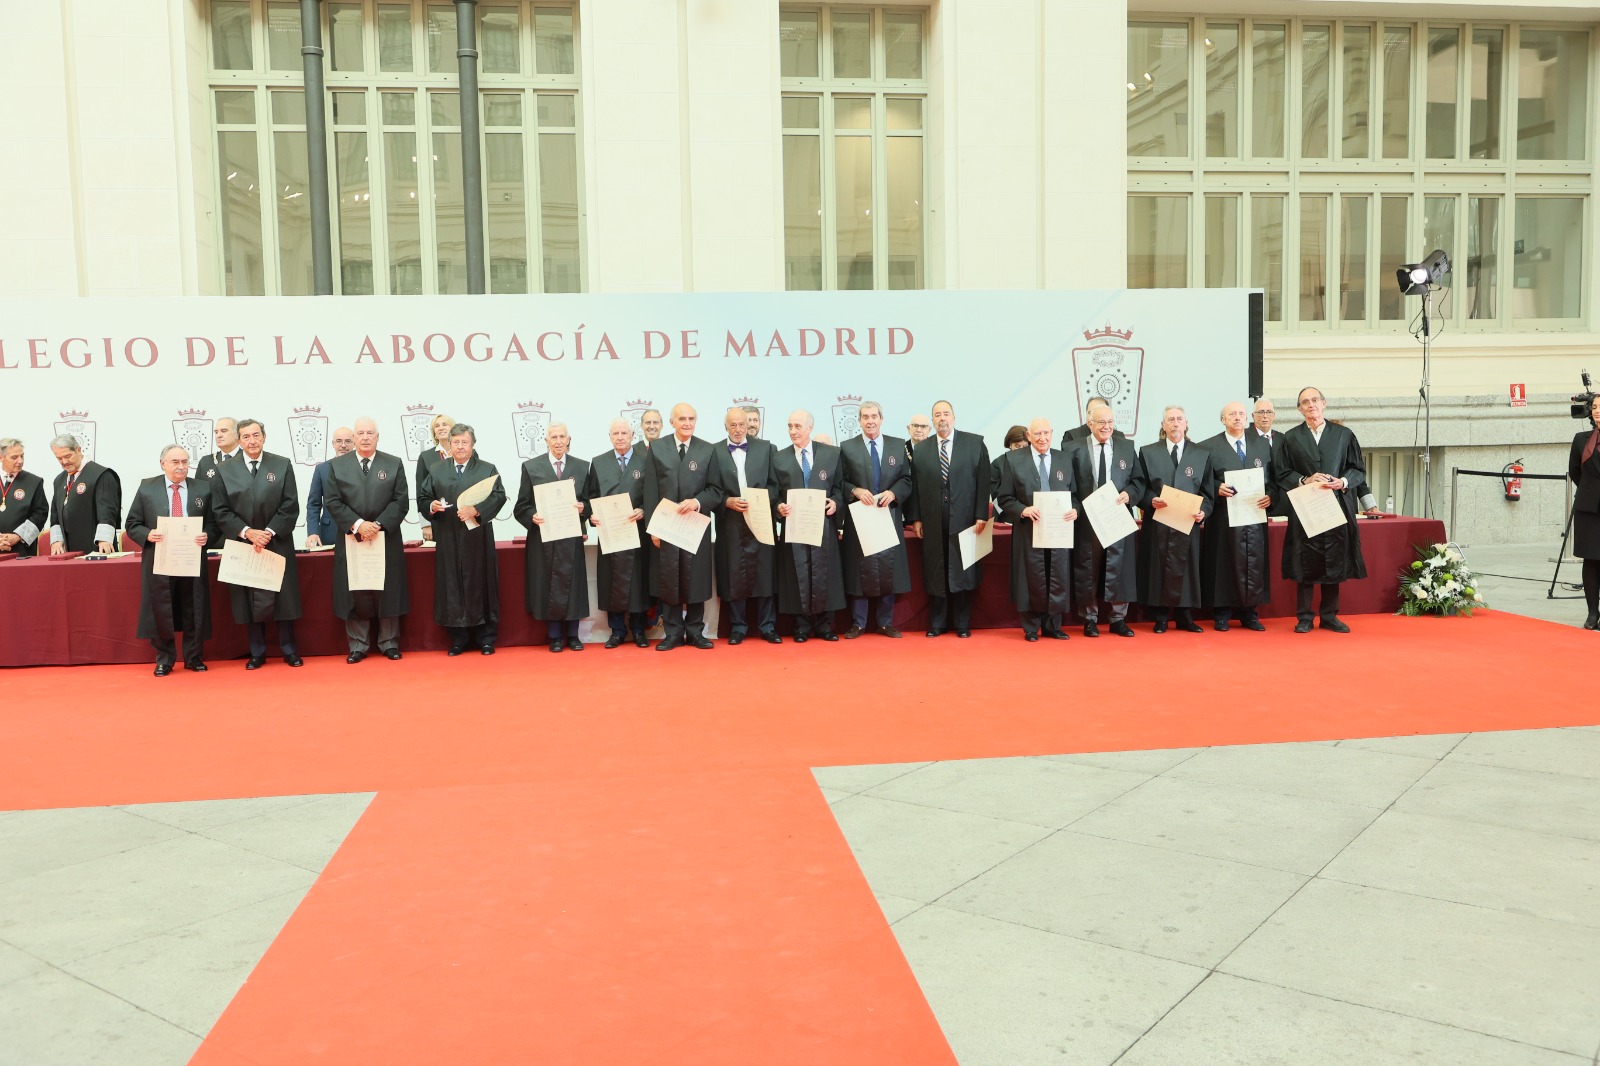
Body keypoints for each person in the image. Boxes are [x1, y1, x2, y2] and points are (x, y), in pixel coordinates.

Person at [210, 418, 303, 668]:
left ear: (264, 437)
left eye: (256, 435)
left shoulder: (281, 465)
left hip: (277, 540)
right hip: (244, 543)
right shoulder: (224, 470)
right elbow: (220, 510)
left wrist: (269, 532)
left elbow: (290, 505)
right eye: (246, 437)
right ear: (239, 441)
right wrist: (248, 532)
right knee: (249, 599)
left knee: (284, 599)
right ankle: (257, 652)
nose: (252, 441)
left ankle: (289, 650)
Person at [1276, 387, 1367, 633]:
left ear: (1324, 403)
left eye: (1315, 400)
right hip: (1305, 508)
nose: (1311, 405)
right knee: (1305, 562)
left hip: (1335, 506)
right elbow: (1281, 473)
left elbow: (1358, 469)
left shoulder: (1344, 435)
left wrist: (1343, 482)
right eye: (1305, 402)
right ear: (1299, 409)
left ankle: (1329, 616)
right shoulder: (1290, 438)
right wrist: (1304, 479)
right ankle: (1304, 617)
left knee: (1334, 561)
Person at [123, 445, 218, 675]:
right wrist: (148, 534)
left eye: (185, 462)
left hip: (191, 558)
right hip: (161, 559)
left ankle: (193, 657)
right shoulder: (147, 488)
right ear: (163, 464)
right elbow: (132, 524)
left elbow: (215, 523)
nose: (181, 467)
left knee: (193, 607)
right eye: (175, 462)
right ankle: (164, 659)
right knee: (161, 607)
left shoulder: (202, 488)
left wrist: (207, 535)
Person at [324, 417, 410, 662]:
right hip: (352, 537)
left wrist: (378, 525)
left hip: (385, 537)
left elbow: (401, 501)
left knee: (388, 589)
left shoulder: (393, 463)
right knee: (356, 590)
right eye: (360, 433)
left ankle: (389, 643)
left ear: (377, 437)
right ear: (354, 438)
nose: (365, 437)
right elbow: (333, 501)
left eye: (370, 433)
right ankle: (358, 645)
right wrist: (359, 525)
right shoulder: (337, 466)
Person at [643, 403, 724, 649]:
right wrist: (653, 528)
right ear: (672, 422)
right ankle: (673, 633)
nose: (687, 423)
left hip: (695, 525)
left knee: (696, 579)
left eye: (691, 419)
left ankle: (696, 632)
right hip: (666, 527)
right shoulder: (658, 448)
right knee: (669, 579)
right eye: (682, 419)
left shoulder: (707, 449)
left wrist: (697, 502)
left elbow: (716, 490)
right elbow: (650, 491)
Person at [421, 424, 506, 655]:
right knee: (452, 587)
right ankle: (458, 639)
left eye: (464, 442)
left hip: (477, 538)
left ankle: (486, 639)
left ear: (473, 444)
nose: (460, 446)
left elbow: (499, 496)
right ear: (449, 444)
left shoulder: (487, 469)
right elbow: (423, 497)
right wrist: (431, 506)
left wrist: (477, 510)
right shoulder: (437, 470)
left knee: (482, 583)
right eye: (456, 442)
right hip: (448, 537)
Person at [907, 400, 990, 638]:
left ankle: (962, 624)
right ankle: (937, 623)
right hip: (933, 519)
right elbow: (915, 488)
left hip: (966, 519)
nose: (942, 418)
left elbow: (984, 481)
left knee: (963, 569)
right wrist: (916, 518)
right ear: (932, 420)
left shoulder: (974, 443)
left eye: (946, 414)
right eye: (937, 415)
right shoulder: (921, 449)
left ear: (954, 417)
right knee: (937, 569)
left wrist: (981, 514)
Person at [996, 418, 1078, 641]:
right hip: (1028, 528)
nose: (1042, 438)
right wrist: (1023, 510)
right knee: (1029, 576)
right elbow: (1004, 498)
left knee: (1057, 574)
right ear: (1029, 436)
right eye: (1037, 434)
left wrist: (1076, 510)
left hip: (1059, 529)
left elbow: (1075, 495)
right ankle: (1031, 627)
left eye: (1046, 433)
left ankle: (1053, 626)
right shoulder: (1013, 460)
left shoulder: (1064, 458)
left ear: (1052, 433)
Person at [1066, 404, 1144, 637]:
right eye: (1101, 422)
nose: (1106, 427)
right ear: (1090, 423)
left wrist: (1129, 494)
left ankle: (1118, 618)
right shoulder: (1073, 448)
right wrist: (1075, 508)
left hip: (1117, 517)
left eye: (1110, 422)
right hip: (1086, 520)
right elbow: (1067, 486)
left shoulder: (1126, 447)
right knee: (1087, 568)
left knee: (1120, 567)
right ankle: (1089, 619)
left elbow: (1138, 481)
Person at [514, 423, 590, 653]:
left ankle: (573, 635)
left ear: (568, 440)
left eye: (562, 437)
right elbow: (521, 506)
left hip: (571, 537)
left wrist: (584, 509)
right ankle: (555, 636)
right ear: (546, 441)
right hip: (543, 538)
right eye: (553, 437)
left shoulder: (582, 466)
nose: (558, 441)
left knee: (573, 584)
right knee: (548, 584)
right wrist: (532, 516)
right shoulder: (531, 467)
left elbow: (590, 502)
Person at [838, 400, 911, 638]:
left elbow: (907, 480)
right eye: (865, 417)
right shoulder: (847, 447)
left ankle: (885, 623)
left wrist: (894, 493)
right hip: (861, 518)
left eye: (874, 416)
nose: (870, 421)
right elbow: (840, 482)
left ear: (881, 419)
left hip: (887, 515)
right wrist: (855, 490)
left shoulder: (897, 445)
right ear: (859, 421)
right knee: (860, 569)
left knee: (888, 570)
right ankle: (858, 623)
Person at [1199, 401, 1274, 631]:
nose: (1238, 417)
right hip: (1223, 518)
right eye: (1232, 414)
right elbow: (1200, 482)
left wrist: (1271, 496)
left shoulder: (1262, 444)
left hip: (1254, 515)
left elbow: (1274, 478)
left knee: (1253, 562)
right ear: (1223, 419)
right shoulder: (1207, 447)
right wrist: (1216, 487)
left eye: (1241, 413)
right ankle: (1221, 614)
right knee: (1223, 562)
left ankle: (1249, 613)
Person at [1136, 406, 1212, 633]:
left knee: (1187, 569)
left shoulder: (1201, 454)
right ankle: (1160, 617)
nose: (1175, 423)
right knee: (1158, 568)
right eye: (1170, 419)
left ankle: (1185, 616)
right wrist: (1150, 500)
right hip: (1158, 522)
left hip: (1187, 523)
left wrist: (1204, 511)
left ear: (1186, 423)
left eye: (1179, 419)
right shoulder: (1148, 452)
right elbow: (1141, 486)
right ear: (1163, 425)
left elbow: (1207, 492)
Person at [773, 410, 846, 641]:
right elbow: (774, 493)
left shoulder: (831, 454)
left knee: (825, 571)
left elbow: (840, 488)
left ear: (810, 428)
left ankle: (825, 626)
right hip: (794, 526)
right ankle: (801, 627)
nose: (793, 431)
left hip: (823, 525)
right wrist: (778, 507)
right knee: (798, 573)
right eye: (790, 426)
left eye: (798, 426)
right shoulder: (779, 458)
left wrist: (835, 502)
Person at [712, 407, 779, 645]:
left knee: (765, 572)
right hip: (730, 521)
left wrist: (762, 501)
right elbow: (711, 488)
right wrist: (726, 501)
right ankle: (738, 627)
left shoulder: (767, 448)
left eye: (742, 424)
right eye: (733, 425)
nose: (739, 429)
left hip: (760, 518)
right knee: (734, 574)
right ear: (726, 427)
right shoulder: (714, 451)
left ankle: (767, 626)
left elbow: (775, 484)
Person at [584, 418, 652, 648]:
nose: (620, 437)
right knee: (611, 580)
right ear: (610, 437)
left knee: (638, 581)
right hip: (610, 533)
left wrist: (644, 510)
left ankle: (639, 630)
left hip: (638, 531)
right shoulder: (599, 462)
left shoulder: (646, 460)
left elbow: (654, 493)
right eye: (616, 433)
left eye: (624, 433)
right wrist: (592, 515)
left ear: (633, 435)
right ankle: (617, 631)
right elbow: (591, 496)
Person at [49, 434, 120, 554]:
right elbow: (55, 514)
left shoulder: (101, 475)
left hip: (97, 547)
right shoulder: (59, 480)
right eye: (59, 458)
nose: (64, 462)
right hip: (69, 550)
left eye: (67, 456)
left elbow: (107, 510)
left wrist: (103, 539)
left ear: (78, 450)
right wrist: (56, 540)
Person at [1570, 394, 1600, 629]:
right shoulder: (1581, 439)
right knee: (1590, 560)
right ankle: (1592, 614)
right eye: (1595, 407)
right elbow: (1574, 472)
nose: (1597, 411)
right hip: (1589, 508)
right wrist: (1591, 491)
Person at [304, 425, 356, 547]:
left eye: (348, 441)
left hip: (358, 533)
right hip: (329, 534)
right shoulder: (322, 469)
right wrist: (313, 532)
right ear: (333, 444)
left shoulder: (364, 468)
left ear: (354, 443)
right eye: (339, 441)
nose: (343, 445)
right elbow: (314, 504)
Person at [0, 438, 49, 557]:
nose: (20, 461)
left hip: (23, 550)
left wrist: (19, 536)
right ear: (1, 457)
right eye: (14, 457)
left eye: (22, 456)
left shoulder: (34, 482)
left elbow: (40, 514)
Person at [416, 412, 454, 542]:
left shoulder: (466, 453)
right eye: (437, 426)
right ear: (434, 433)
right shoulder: (426, 457)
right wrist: (426, 524)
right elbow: (420, 493)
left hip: (463, 517)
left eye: (445, 424)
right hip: (439, 520)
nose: (441, 428)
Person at [989, 425, 1030, 521]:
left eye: (1025, 446)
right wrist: (1019, 510)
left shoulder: (1035, 462)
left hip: (1032, 514)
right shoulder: (997, 464)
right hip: (1006, 516)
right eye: (1017, 446)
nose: (1021, 450)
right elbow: (996, 498)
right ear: (1010, 445)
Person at [1061, 397, 1127, 446]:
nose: (1092, 417)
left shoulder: (1119, 437)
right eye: (1090, 412)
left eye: (1098, 413)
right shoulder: (1072, 436)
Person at [194, 417, 241, 482]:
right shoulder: (206, 461)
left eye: (224, 431)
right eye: (216, 432)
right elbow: (198, 487)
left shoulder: (248, 459)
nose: (218, 435)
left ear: (237, 434)